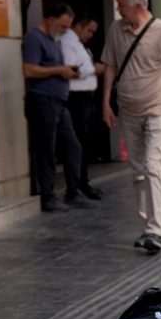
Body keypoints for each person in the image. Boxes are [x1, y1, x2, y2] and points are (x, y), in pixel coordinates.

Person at [101, 0, 161, 255]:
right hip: (128, 110)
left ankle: (154, 229)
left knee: (151, 166)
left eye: (120, 3)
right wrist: (106, 102)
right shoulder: (116, 29)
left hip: (158, 108)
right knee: (138, 171)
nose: (117, 8)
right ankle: (146, 223)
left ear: (137, 5)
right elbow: (111, 65)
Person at [23, 3, 88, 213]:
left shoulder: (54, 40)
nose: (65, 31)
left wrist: (68, 71)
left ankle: (72, 191)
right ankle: (47, 196)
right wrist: (60, 70)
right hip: (43, 100)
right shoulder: (34, 39)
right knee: (46, 149)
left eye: (68, 27)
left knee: (72, 146)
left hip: (58, 101)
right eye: (62, 26)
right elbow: (29, 70)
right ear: (50, 19)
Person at [60, 12, 106, 200]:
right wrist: (94, 69)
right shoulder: (68, 42)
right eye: (89, 30)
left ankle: (82, 182)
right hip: (76, 98)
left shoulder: (80, 45)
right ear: (78, 26)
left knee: (85, 143)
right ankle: (76, 184)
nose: (90, 35)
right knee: (78, 143)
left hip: (86, 98)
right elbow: (70, 69)